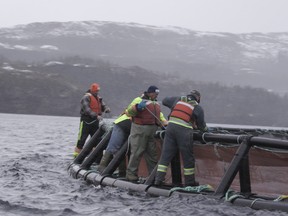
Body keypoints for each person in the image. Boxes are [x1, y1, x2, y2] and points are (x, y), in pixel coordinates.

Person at [154, 90, 208, 186]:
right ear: (198, 98)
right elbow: (202, 127)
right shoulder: (198, 108)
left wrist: (174, 105)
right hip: (184, 130)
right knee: (188, 157)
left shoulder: (178, 99)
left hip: (170, 128)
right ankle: (190, 183)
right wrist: (206, 130)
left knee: (165, 156)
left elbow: (165, 100)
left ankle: (158, 180)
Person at [125, 85, 168, 181]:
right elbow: (128, 112)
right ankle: (131, 175)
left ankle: (153, 176)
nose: (156, 96)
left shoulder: (156, 104)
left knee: (152, 155)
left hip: (151, 132)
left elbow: (159, 117)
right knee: (136, 153)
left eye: (157, 94)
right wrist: (137, 107)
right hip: (140, 130)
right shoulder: (138, 100)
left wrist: (164, 124)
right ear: (150, 93)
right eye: (155, 94)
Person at [73, 83, 110, 158]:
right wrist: (96, 116)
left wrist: (106, 108)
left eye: (98, 91)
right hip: (86, 121)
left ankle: (93, 157)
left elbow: (103, 105)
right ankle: (76, 157)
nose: (97, 92)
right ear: (92, 90)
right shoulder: (86, 97)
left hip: (96, 122)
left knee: (96, 140)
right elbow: (87, 109)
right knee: (82, 139)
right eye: (96, 91)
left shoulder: (99, 98)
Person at [97, 112, 131, 177]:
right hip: (121, 124)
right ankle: (102, 167)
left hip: (130, 126)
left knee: (124, 150)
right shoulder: (140, 104)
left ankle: (122, 173)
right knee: (113, 147)